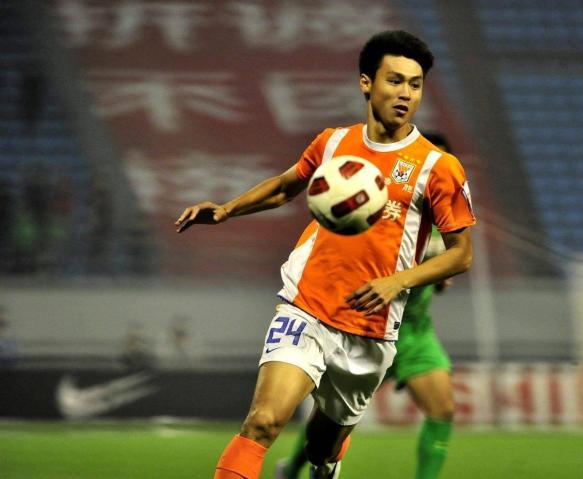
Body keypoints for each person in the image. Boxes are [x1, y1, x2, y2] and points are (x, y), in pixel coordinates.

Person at [175, 30, 475, 479]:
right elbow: (285, 187)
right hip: (307, 307)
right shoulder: (333, 143)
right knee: (263, 422)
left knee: (321, 448)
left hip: (371, 330)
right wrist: (226, 210)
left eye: (415, 85)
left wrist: (397, 281)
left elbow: (461, 255)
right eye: (395, 80)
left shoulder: (438, 167)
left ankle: (327, 465)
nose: (405, 94)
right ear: (366, 82)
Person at [275, 133, 458, 479]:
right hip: (367, 328)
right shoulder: (381, 206)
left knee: (443, 410)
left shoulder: (444, 227)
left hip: (415, 335)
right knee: (332, 418)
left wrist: (439, 276)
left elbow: (450, 267)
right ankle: (296, 468)